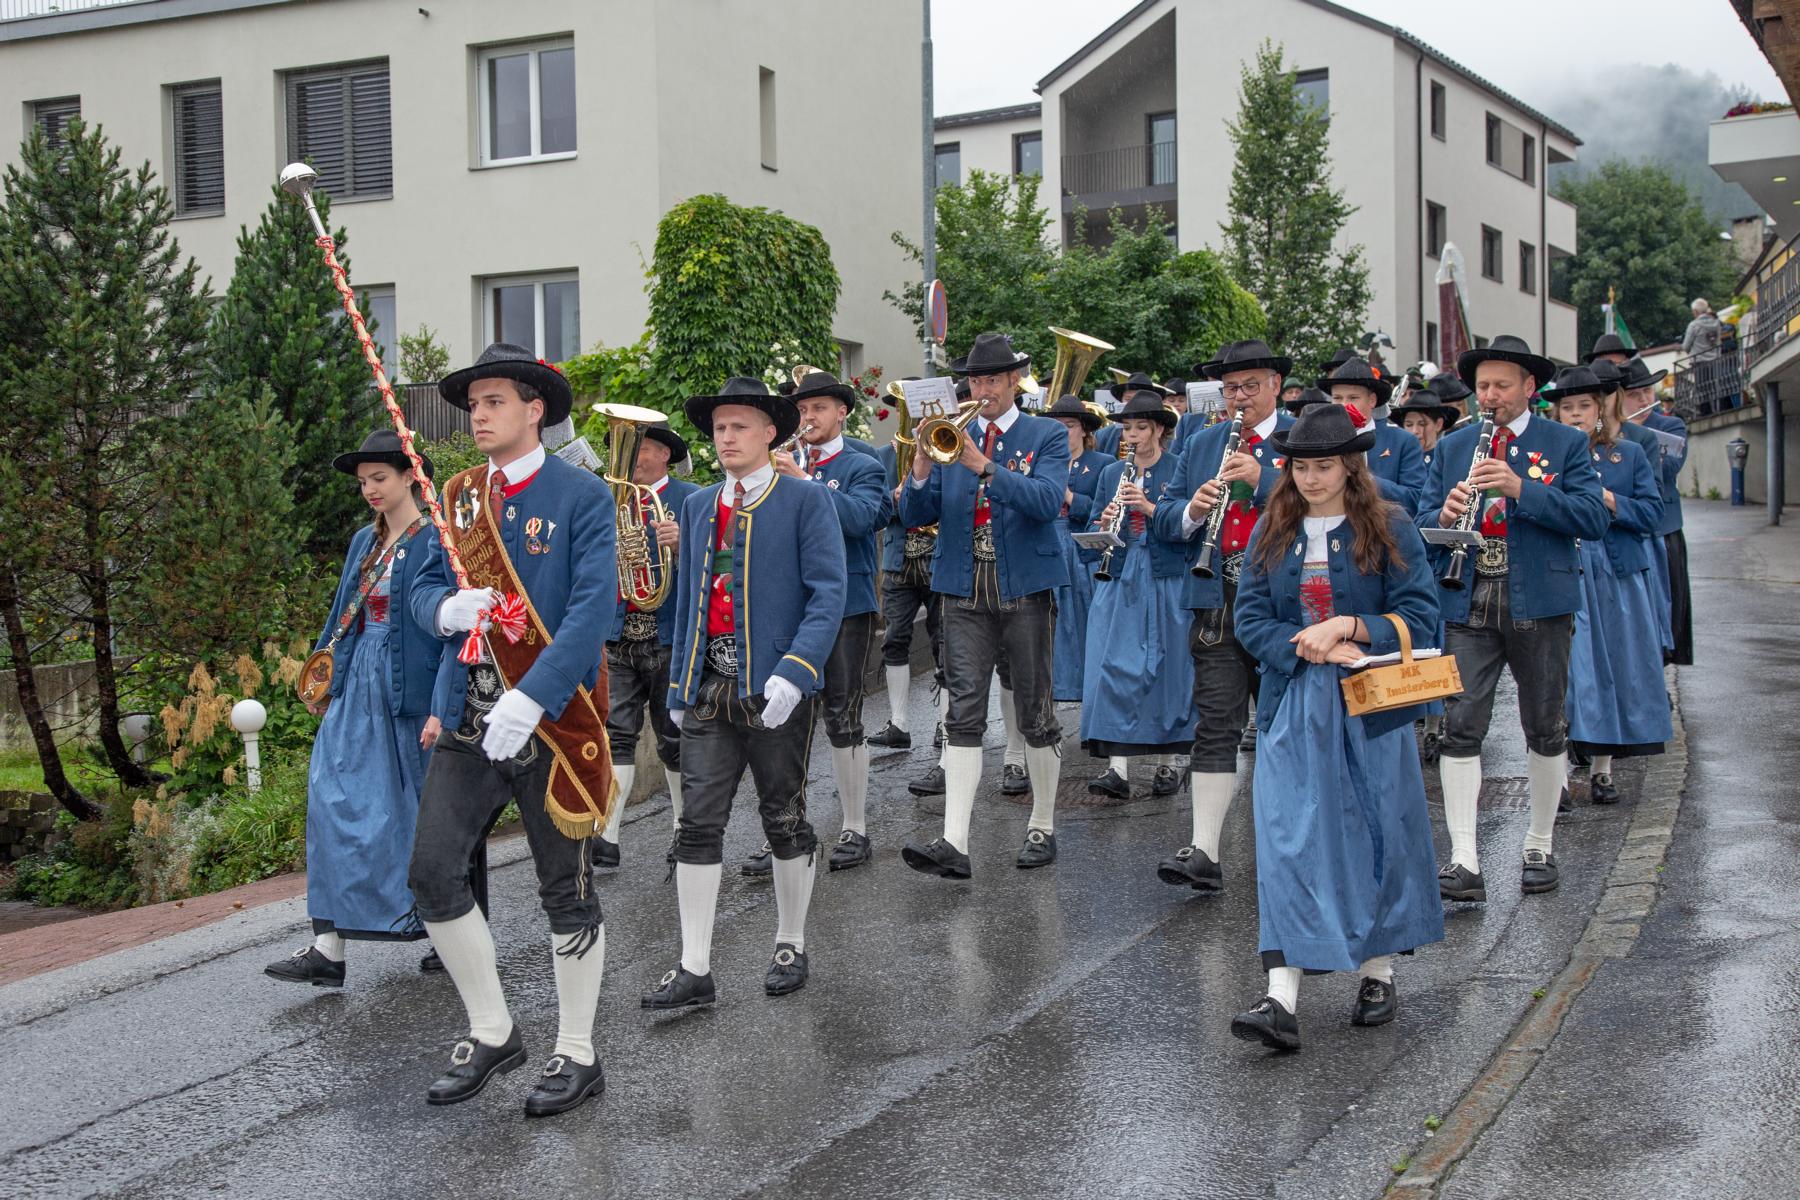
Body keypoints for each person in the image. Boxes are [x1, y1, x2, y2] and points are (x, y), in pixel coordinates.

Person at [405, 343, 618, 1117]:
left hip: (552, 721)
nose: (480, 415)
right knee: (431, 872)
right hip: (471, 719)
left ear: (535, 410)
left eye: (494, 401)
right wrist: (441, 609)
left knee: (565, 889)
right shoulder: (458, 497)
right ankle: (494, 1029)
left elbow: (596, 608)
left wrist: (534, 695)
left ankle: (577, 1051)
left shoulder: (582, 496)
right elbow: (424, 583)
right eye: (475, 404)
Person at [1227, 403, 1445, 1051]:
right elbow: (1249, 620)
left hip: (1370, 698)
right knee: (1288, 838)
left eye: (1324, 466)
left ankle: (1377, 972)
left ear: (1352, 465)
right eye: (1300, 466)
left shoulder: (1391, 526)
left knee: (1375, 831)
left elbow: (1422, 617)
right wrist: (1300, 643)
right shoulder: (1271, 527)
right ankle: (1280, 998)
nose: (1311, 479)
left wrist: (1351, 628)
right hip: (1294, 702)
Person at [643, 378, 847, 1009]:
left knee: (782, 816)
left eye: (738, 427)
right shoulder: (699, 505)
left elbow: (828, 593)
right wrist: (680, 680)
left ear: (768, 434)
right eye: (718, 428)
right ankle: (694, 966)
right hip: (709, 687)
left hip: (774, 686)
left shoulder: (806, 501)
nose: (725, 437)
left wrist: (796, 671)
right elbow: (686, 604)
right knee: (697, 825)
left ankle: (790, 940)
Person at [1418, 336, 1608, 903]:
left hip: (1539, 601)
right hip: (1468, 596)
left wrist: (1522, 489)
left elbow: (1593, 518)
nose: (1490, 396)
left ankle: (1539, 844)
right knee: (1461, 724)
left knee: (1544, 725)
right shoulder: (1455, 446)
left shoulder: (1566, 442)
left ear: (1529, 388)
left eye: (1502, 386)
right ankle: (1464, 857)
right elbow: (1423, 517)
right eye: (1482, 387)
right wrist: (1443, 514)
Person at [266, 430, 451, 988]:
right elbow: (339, 614)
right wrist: (321, 680)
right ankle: (329, 946)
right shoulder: (360, 543)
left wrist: (444, 701)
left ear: (408, 478)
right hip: (356, 689)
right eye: (364, 481)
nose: (370, 489)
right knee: (330, 804)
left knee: (420, 817)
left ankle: (449, 932)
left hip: (408, 695)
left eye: (380, 478)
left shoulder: (436, 538)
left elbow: (449, 633)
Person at [898, 332, 1072, 879]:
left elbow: (1047, 501)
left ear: (1015, 381)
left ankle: (1042, 824)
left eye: (992, 379)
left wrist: (983, 466)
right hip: (962, 584)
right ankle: (955, 840)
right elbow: (912, 513)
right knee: (963, 708)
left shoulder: (1046, 434)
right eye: (975, 380)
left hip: (1024, 583)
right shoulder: (955, 435)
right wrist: (923, 464)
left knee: (1034, 708)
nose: (982, 389)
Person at [1150, 339, 1296, 892]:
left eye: (1250, 387)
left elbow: (1331, 506)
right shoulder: (1202, 441)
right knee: (1215, 724)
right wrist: (1190, 510)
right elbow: (1164, 518)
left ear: (1275, 386)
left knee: (1286, 728)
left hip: (1284, 603)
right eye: (1230, 389)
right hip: (1217, 598)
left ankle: (1291, 847)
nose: (1238, 399)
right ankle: (1205, 849)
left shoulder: (1299, 441)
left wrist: (1263, 482)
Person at [742, 370, 889, 874]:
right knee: (783, 720)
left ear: (842, 411)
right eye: (802, 411)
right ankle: (785, 826)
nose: (808, 418)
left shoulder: (862, 463)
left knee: (843, 717)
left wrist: (804, 485)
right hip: (788, 606)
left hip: (846, 603)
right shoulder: (776, 465)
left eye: (819, 409)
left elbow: (865, 519)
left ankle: (854, 826)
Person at [1544, 367, 1672, 804]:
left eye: (1584, 407)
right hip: (1564, 571)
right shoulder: (1543, 456)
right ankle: (1556, 776)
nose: (1576, 415)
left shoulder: (1630, 454)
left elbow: (1653, 516)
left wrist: (1609, 500)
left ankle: (1602, 770)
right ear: (1556, 413)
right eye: (1568, 408)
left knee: (1612, 669)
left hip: (1615, 577)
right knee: (1563, 675)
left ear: (1600, 410)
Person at [1081, 388, 1192, 799]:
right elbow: (1092, 526)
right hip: (1122, 574)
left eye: (1141, 427)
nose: (1131, 435)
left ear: (1160, 430)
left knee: (1167, 665)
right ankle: (1118, 768)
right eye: (1127, 428)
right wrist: (1105, 520)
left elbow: (1188, 526)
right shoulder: (1112, 473)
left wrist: (1147, 507)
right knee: (1112, 664)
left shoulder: (1179, 468)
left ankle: (1168, 763)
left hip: (1164, 576)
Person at [598, 422, 695, 870]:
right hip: (619, 631)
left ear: (664, 455)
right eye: (629, 448)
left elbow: (722, 557)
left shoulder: (689, 500)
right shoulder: (609, 500)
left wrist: (686, 541)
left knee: (672, 737)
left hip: (666, 632)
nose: (634, 457)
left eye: (643, 448)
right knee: (617, 732)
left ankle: (682, 826)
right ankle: (609, 835)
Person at [868, 379, 944, 755]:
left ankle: (946, 724)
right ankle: (898, 722)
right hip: (898, 558)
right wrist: (894, 497)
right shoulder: (882, 456)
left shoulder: (943, 448)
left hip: (935, 554)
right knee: (895, 639)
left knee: (944, 640)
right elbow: (875, 510)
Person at [1621, 356, 1692, 664]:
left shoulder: (1668, 424)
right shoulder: (1613, 429)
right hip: (1628, 528)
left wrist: (1636, 438)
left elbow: (1669, 466)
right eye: (1635, 394)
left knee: (1669, 603)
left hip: (1663, 528)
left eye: (1648, 392)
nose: (1644, 400)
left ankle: (1665, 660)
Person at [1048, 391, 1113, 708]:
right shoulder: (1045, 462)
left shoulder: (1102, 463)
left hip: (1084, 552)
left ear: (1085, 429)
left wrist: (1069, 496)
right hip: (1049, 548)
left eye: (1070, 424)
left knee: (1089, 624)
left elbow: (1106, 512)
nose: (1063, 431)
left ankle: (1094, 696)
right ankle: (1056, 690)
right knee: (1052, 627)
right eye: (1057, 425)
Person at [1317, 359, 1426, 513]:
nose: (1344, 405)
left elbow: (1416, 500)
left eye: (1353, 398)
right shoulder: (1318, 441)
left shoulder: (1402, 442)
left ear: (1372, 400)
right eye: (1337, 398)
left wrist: (1367, 480)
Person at [1391, 386, 1463, 478]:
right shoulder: (1397, 459)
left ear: (1438, 424)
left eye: (1422, 424)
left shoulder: (1448, 460)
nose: (1415, 431)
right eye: (1409, 425)